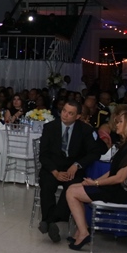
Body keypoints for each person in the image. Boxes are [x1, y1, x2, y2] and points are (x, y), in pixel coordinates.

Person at [66, 111, 127, 250]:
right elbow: (112, 171)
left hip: (122, 192)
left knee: (71, 193)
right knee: (73, 188)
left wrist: (96, 183)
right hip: (116, 188)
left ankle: (83, 232)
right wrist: (94, 182)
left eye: (120, 122)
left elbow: (120, 177)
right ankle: (81, 230)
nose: (117, 125)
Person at [37, 100, 100, 244]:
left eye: (70, 113)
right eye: (64, 111)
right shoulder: (50, 127)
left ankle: (50, 221)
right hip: (53, 167)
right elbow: (43, 155)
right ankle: (51, 221)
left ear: (77, 116)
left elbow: (95, 153)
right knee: (47, 184)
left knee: (72, 188)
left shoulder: (85, 130)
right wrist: (55, 172)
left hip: (73, 169)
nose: (65, 115)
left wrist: (77, 165)